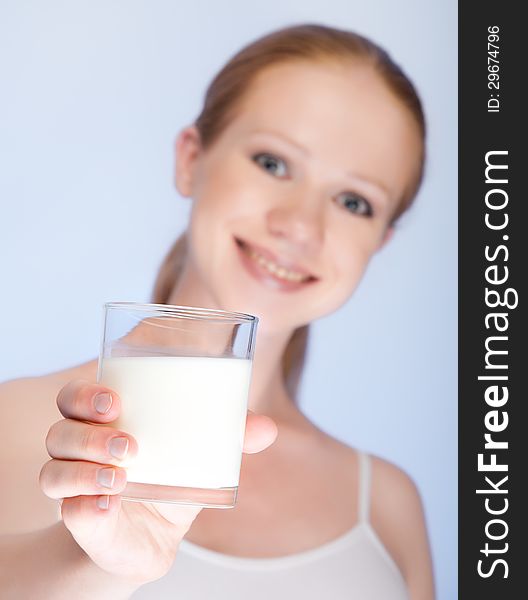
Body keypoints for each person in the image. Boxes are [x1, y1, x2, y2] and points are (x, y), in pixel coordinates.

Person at [0, 23, 435, 599]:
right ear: (190, 159)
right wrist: (100, 565)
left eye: (354, 201)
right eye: (274, 163)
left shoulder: (386, 504)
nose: (301, 226)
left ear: (378, 241)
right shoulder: (17, 426)